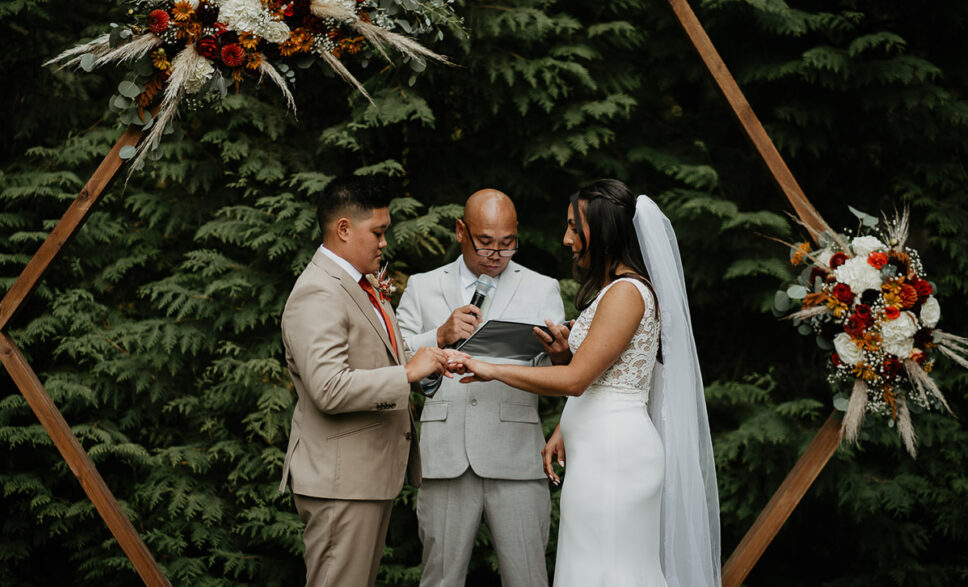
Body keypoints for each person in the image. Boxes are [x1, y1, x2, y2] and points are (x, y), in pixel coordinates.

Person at [453, 179, 721, 587]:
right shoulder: (612, 290)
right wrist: (563, 359)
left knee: (612, 572)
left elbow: (578, 381)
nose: (567, 238)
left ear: (606, 231)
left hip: (616, 457)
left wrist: (491, 369)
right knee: (592, 569)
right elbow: (599, 374)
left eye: (576, 228)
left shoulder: (627, 293)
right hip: (598, 452)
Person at [279, 175, 465, 587]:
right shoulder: (319, 292)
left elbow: (382, 358)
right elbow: (328, 388)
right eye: (377, 232)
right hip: (339, 482)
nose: (384, 243)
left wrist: (430, 362)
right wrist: (407, 373)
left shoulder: (361, 285)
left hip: (363, 478)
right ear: (343, 229)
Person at [396, 189, 567, 587]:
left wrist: (560, 355)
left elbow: (557, 375)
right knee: (440, 579)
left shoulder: (542, 287)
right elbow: (395, 361)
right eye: (485, 243)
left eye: (507, 244)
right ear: (461, 230)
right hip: (445, 457)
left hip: (517, 457)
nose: (496, 254)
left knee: (528, 578)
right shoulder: (423, 287)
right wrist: (439, 334)